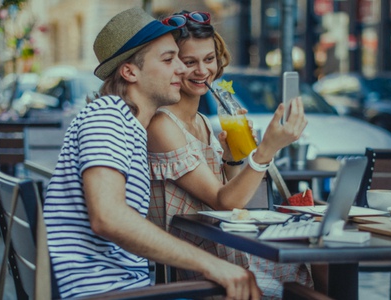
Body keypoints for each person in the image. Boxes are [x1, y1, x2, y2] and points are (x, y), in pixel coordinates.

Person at [43, 7, 261, 299]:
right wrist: (212, 265)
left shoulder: (128, 125)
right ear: (130, 71)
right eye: (170, 60)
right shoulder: (106, 118)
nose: (183, 70)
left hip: (124, 287)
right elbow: (108, 217)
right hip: (103, 292)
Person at [146, 10, 312, 298]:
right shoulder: (163, 125)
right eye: (190, 62)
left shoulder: (201, 122)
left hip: (227, 251)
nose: (202, 71)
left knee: (317, 265)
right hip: (198, 271)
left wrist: (234, 154)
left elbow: (231, 198)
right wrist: (266, 149)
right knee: (306, 283)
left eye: (209, 59)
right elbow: (226, 202)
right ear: (172, 64)